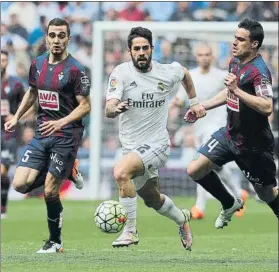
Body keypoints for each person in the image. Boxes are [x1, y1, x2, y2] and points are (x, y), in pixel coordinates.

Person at [105, 27, 206, 249]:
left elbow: (185, 74)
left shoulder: (167, 71)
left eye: (145, 48)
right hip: (131, 148)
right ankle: (182, 220)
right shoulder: (121, 73)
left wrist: (194, 101)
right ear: (129, 52)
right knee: (153, 199)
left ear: (152, 49)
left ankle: (130, 232)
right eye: (136, 49)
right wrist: (115, 108)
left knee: (121, 172)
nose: (141, 52)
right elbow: (109, 107)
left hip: (158, 145)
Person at [4, 18, 91, 253]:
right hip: (42, 133)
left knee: (51, 190)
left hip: (66, 134)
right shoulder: (38, 64)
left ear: (69, 39)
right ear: (46, 38)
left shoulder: (76, 70)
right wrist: (17, 117)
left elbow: (85, 107)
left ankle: (55, 241)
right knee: (20, 185)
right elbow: (32, 93)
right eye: (52, 35)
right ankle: (68, 170)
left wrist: (60, 122)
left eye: (61, 35)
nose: (56, 40)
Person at [185, 18, 278, 229]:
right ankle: (229, 202)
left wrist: (237, 90)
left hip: (255, 146)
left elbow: (266, 106)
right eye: (234, 38)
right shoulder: (235, 61)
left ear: (254, 44)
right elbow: (229, 92)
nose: (234, 43)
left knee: (266, 194)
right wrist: (203, 106)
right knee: (194, 170)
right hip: (230, 134)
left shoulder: (259, 72)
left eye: (241, 39)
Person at [171, 43, 247, 219]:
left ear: (212, 56)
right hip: (199, 128)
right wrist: (173, 105)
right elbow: (180, 99)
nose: (204, 57)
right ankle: (238, 193)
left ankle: (200, 207)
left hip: (218, 127)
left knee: (201, 163)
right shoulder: (191, 76)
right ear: (196, 56)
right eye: (200, 54)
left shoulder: (222, 76)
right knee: (216, 167)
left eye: (207, 54)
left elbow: (235, 94)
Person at [1, 50, 26, 219]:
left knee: (2, 171)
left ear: (7, 62)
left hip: (9, 133)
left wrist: (16, 117)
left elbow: (28, 105)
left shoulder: (16, 85)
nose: (1, 63)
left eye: (3, 60)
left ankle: (2, 207)